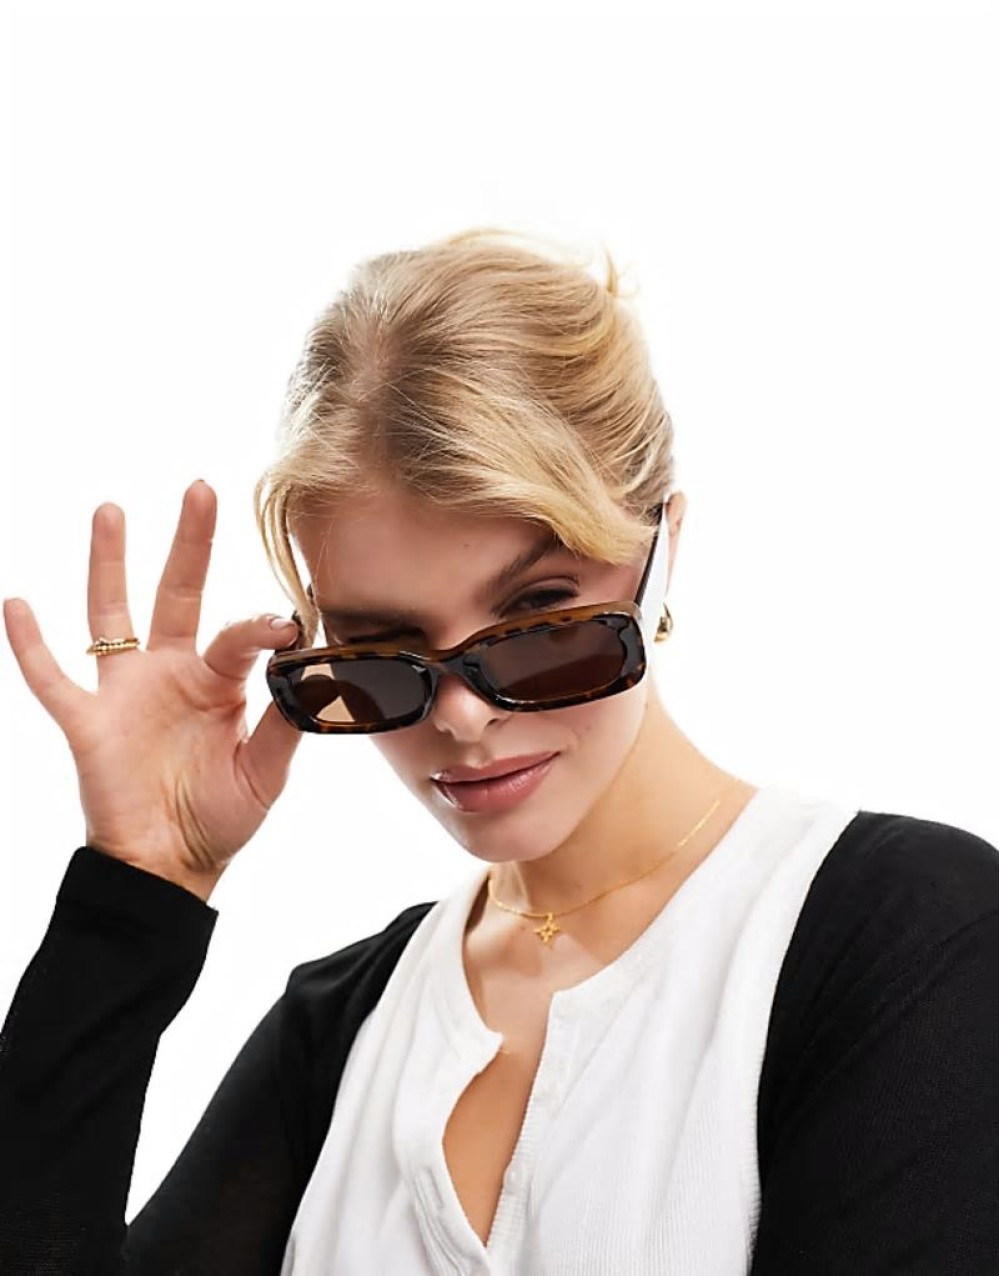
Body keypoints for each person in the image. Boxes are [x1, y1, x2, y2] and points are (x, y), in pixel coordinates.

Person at [0, 227, 996, 1275]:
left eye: (540, 616)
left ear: (662, 550)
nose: (464, 717)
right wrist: (140, 888)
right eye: (384, 653)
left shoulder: (911, 938)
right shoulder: (339, 1032)